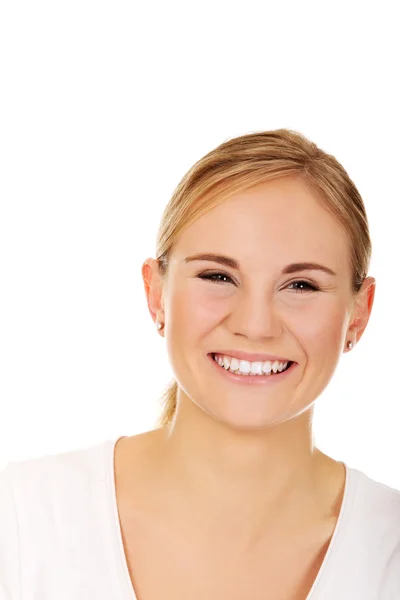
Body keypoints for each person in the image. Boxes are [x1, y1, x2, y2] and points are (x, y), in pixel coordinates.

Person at [0, 129, 399, 599]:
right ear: (156, 295)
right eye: (218, 276)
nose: (256, 324)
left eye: (301, 286)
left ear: (359, 314)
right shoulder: (20, 522)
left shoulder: (389, 548)